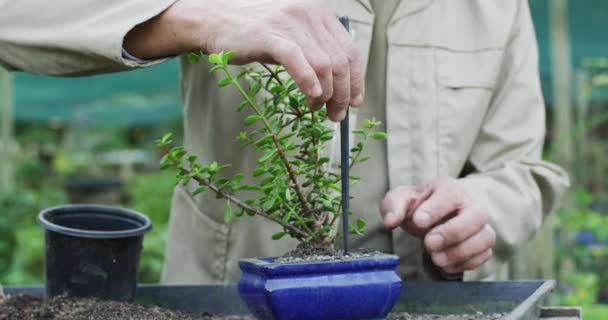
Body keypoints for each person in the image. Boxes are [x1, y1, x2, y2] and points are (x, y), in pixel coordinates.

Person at [0, 0, 569, 283]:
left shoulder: (498, 8)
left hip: (428, 305)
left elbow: (523, 168)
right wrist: (196, 20)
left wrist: (482, 208)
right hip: (228, 304)